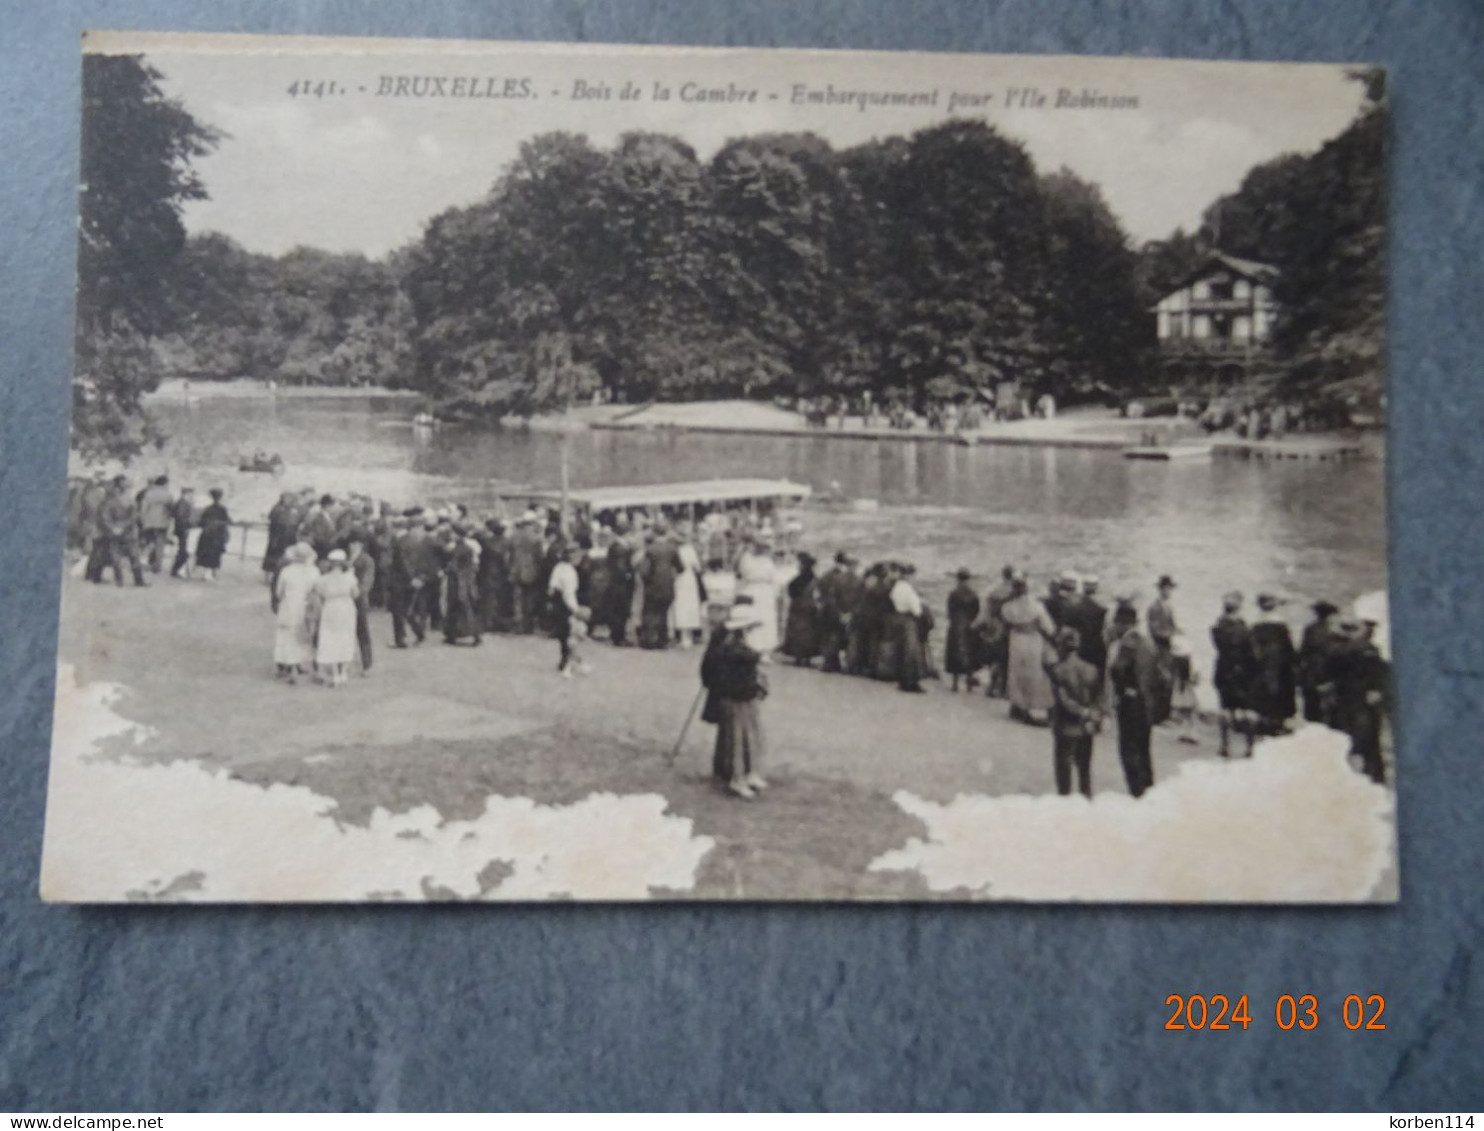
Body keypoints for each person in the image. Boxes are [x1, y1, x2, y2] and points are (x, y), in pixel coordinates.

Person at [701, 601, 770, 800]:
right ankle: (736, 778)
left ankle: (750, 773)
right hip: (735, 698)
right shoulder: (732, 648)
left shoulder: (738, 645)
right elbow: (744, 660)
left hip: (745, 697)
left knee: (750, 736)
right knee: (738, 740)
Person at [1108, 604, 1166, 798]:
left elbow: (1117, 671)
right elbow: (1160, 676)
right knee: (1144, 749)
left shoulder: (1128, 644)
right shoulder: (1148, 642)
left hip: (1130, 701)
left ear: (1123, 623)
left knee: (1128, 749)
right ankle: (1148, 789)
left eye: (1117, 623)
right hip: (1147, 703)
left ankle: (1136, 792)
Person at [1327, 614, 1390, 784]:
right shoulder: (1368, 648)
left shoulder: (1340, 649)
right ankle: (1374, 775)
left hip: (1349, 698)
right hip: (1361, 698)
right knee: (1368, 737)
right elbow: (1380, 673)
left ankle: (1354, 774)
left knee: (1352, 736)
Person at [1047, 625, 1102, 797]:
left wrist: (1080, 711)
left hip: (1065, 727)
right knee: (1084, 771)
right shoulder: (1091, 669)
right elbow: (1098, 699)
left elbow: (1064, 701)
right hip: (1086, 728)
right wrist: (1092, 715)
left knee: (1064, 776)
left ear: (1061, 647)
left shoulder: (1058, 670)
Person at [1000, 572, 1056, 724]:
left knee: (1016, 672)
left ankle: (1017, 705)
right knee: (1034, 673)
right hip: (1033, 639)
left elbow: (1005, 622)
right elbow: (1049, 627)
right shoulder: (1036, 606)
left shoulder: (1008, 607)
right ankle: (1033, 706)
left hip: (1016, 638)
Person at [1211, 591, 1258, 758]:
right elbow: (1252, 652)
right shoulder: (1244, 628)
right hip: (1243, 671)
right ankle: (1249, 747)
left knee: (1225, 708)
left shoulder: (1217, 628)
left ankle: (1225, 745)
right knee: (1248, 709)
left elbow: (1218, 645)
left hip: (1224, 669)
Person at [1249, 593, 1298, 734]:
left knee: (1263, 689)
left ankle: (1264, 720)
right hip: (1280, 662)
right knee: (1281, 690)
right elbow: (1288, 646)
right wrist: (1294, 661)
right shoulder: (1280, 624)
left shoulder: (1256, 624)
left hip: (1262, 662)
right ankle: (1277, 722)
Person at [312, 549, 360, 688]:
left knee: (330, 638)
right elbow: (356, 594)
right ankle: (343, 672)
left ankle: (334, 674)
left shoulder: (322, 579)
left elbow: (319, 594)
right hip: (346, 607)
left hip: (330, 608)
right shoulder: (350, 578)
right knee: (346, 637)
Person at [272, 543, 319, 684]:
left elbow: (279, 592)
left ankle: (288, 667)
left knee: (287, 637)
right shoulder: (314, 571)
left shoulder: (287, 571)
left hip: (289, 606)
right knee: (303, 637)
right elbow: (317, 590)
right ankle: (299, 665)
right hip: (306, 606)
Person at [548, 541, 590, 677]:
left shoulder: (559, 567)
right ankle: (569, 664)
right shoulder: (570, 573)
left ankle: (569, 662)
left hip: (556, 602)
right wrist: (576, 609)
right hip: (565, 605)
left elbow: (551, 587)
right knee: (570, 637)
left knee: (563, 635)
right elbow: (569, 595)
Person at [974, 565, 1017, 699]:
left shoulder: (995, 591)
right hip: (1010, 627)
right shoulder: (1015, 592)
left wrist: (981, 625)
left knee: (995, 657)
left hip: (995, 626)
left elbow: (986, 611)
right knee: (1007, 659)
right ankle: (1004, 688)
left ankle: (992, 686)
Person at [816, 552, 862, 674]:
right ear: (856, 566)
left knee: (834, 638)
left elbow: (833, 598)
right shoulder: (860, 581)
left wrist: (839, 613)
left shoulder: (837, 579)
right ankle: (850, 666)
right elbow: (861, 601)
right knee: (852, 640)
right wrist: (851, 614)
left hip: (837, 613)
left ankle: (830, 664)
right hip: (851, 614)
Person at [638, 523, 681, 649]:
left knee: (650, 612)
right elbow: (681, 567)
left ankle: (650, 640)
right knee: (664, 612)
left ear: (654, 533)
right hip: (668, 584)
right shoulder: (673, 548)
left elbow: (644, 571)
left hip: (653, 584)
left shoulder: (650, 549)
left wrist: (645, 580)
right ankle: (663, 640)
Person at [735, 534, 780, 653]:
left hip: (758, 590)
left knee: (761, 618)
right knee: (759, 618)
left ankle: (760, 649)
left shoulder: (750, 559)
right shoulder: (758, 560)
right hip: (759, 590)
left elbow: (742, 574)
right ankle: (759, 649)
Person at [1298, 599, 1340, 723]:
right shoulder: (1334, 630)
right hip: (1329, 668)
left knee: (1313, 705)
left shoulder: (1310, 629)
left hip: (1313, 669)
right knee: (1330, 704)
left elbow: (1303, 651)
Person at [888, 563, 927, 693]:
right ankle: (912, 682)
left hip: (897, 618)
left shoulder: (896, 587)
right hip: (908, 620)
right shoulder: (909, 589)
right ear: (909, 575)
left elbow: (892, 598)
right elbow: (917, 610)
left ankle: (902, 681)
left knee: (900, 649)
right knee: (911, 651)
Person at [442, 528, 482, 646]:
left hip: (457, 581)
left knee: (457, 608)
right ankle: (471, 635)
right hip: (466, 581)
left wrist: (446, 570)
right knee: (465, 608)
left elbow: (453, 566)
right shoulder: (467, 548)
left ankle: (456, 635)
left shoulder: (457, 549)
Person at [780, 552, 822, 666]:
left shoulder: (799, 578)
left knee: (797, 632)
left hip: (798, 606)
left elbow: (790, 589)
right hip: (811, 606)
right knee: (810, 632)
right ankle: (807, 657)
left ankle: (798, 657)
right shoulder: (814, 578)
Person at [944, 568, 981, 692]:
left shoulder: (953, 594)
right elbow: (977, 612)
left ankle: (955, 684)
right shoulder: (973, 594)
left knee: (955, 653)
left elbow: (949, 612)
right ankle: (969, 684)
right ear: (968, 579)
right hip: (969, 626)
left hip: (956, 625)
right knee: (970, 653)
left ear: (958, 579)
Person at [509, 511, 546, 635]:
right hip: (531, 570)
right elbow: (539, 557)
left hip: (516, 569)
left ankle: (518, 624)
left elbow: (509, 555)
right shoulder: (536, 538)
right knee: (530, 598)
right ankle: (528, 625)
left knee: (517, 598)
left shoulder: (514, 536)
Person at [346, 534, 376, 674]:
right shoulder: (346, 559)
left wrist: (359, 593)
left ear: (361, 544)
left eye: (355, 543)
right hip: (346, 599)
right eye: (351, 543)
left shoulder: (367, 560)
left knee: (362, 631)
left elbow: (367, 581)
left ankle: (367, 663)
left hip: (359, 600)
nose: (352, 546)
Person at [670, 528, 704, 648]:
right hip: (689, 578)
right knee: (689, 605)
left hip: (678, 579)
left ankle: (679, 634)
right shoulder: (690, 550)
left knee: (679, 604)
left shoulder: (674, 549)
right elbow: (698, 567)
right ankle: (688, 635)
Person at [137, 475, 174, 574]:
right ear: (164, 484)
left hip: (149, 523)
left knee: (148, 543)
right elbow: (171, 510)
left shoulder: (149, 494)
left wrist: (143, 520)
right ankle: (157, 566)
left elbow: (143, 508)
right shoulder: (168, 495)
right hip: (162, 523)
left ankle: (143, 561)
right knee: (159, 545)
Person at [192, 488, 231, 581]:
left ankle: (207, 573)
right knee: (215, 554)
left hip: (207, 534)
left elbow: (201, 522)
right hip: (217, 535)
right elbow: (227, 521)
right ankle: (210, 573)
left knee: (206, 553)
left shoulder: (208, 509)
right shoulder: (223, 509)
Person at [263, 491, 301, 582]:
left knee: (282, 556)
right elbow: (274, 522)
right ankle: (269, 577)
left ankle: (278, 576)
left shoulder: (293, 511)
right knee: (273, 557)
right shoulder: (278, 509)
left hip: (286, 538)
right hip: (277, 537)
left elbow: (295, 523)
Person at [169, 486, 196, 580]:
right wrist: (189, 524)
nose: (192, 496)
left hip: (180, 529)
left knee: (182, 551)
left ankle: (176, 570)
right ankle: (176, 570)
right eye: (191, 494)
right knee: (184, 552)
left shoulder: (180, 502)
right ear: (187, 494)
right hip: (183, 530)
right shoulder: (184, 503)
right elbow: (181, 517)